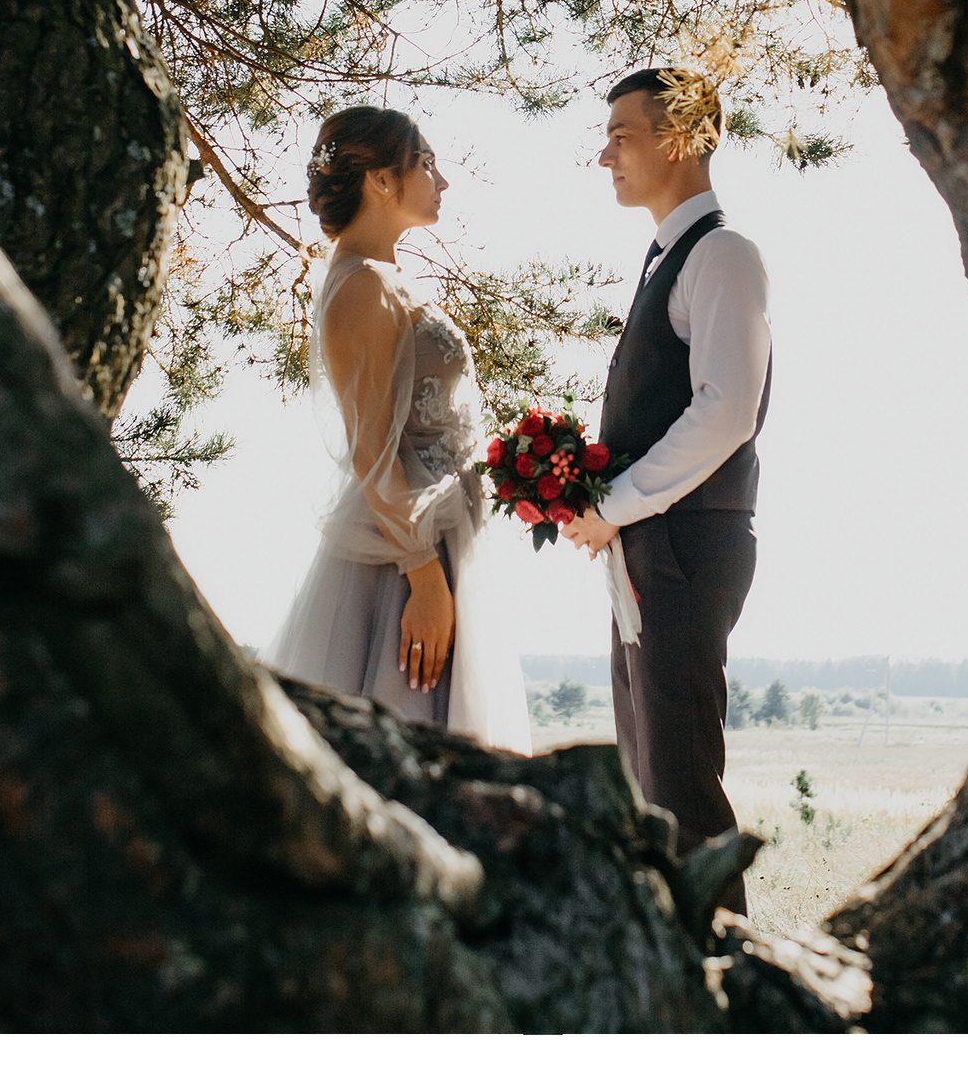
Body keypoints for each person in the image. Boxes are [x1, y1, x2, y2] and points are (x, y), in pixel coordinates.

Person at [562, 67, 771, 918]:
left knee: (681, 788)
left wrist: (609, 505)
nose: (604, 153)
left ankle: (723, 995)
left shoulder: (723, 255)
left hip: (682, 547)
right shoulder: (666, 261)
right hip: (652, 543)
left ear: (683, 135)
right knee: (649, 780)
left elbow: (727, 414)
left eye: (623, 133)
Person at [263, 107, 531, 751]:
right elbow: (370, 451)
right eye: (427, 164)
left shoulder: (384, 279)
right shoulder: (359, 286)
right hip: (399, 560)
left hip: (437, 540)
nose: (443, 180)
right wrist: (424, 578)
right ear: (381, 181)